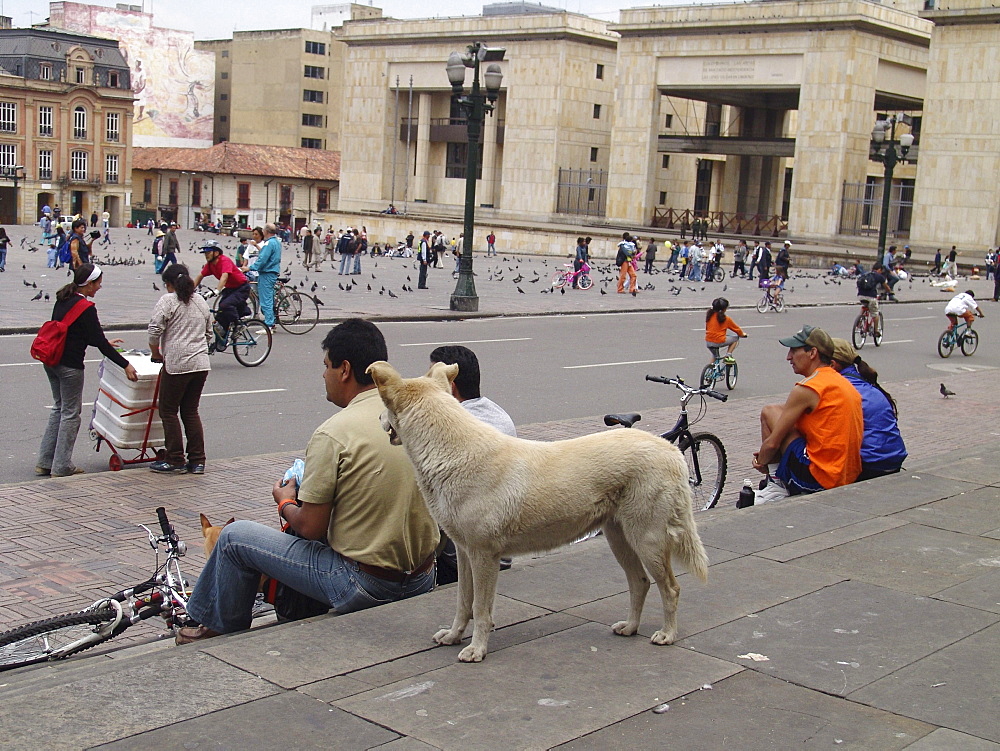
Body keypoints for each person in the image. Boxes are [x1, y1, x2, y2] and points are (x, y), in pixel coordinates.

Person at [175, 319, 439, 644]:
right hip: (423, 578)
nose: (323, 375)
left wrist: (284, 501)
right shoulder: (415, 416)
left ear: (344, 369)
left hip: (363, 586)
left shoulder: (334, 432)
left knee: (233, 537)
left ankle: (215, 628)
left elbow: (310, 527)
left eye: (326, 366)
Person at [37, 264, 139, 477]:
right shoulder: (86, 307)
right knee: (71, 414)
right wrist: (126, 364)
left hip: (51, 361)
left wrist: (105, 342)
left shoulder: (63, 298)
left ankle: (45, 461)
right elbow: (98, 341)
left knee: (59, 408)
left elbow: (82, 334)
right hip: (69, 365)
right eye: (98, 283)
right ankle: (62, 465)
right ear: (89, 283)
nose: (100, 287)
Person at [429, 344, 516, 583]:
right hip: (505, 544)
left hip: (467, 554)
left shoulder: (453, 428)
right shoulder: (498, 413)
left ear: (449, 385)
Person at [751, 325, 863, 504]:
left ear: (812, 353)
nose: (789, 357)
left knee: (768, 412)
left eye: (794, 351)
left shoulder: (809, 387)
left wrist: (762, 460)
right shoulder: (842, 382)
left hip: (820, 478)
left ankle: (775, 484)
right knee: (780, 412)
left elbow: (772, 444)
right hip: (847, 474)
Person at [148, 264, 213, 474]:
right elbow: (209, 332)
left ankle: (175, 457)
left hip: (177, 364)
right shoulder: (200, 300)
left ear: (168, 284)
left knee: (168, 410)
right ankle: (197, 460)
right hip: (201, 364)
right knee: (190, 411)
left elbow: (154, 330)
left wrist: (156, 353)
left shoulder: (168, 301)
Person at [829, 338, 907, 480]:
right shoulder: (865, 382)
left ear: (832, 365)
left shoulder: (841, 387)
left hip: (870, 464)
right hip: (894, 459)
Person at [193, 241, 251, 341]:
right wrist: (189, 290)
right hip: (230, 289)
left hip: (241, 288)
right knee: (220, 315)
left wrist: (217, 290)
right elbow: (200, 276)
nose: (206, 255)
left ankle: (238, 325)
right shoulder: (210, 264)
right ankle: (221, 341)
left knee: (226, 305)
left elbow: (225, 276)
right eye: (205, 253)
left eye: (208, 252)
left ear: (216, 253)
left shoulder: (224, 261)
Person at [254, 223, 283, 330]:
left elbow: (263, 259)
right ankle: (271, 322)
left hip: (267, 273)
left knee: (266, 300)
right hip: (273, 271)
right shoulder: (276, 242)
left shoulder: (269, 243)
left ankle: (269, 325)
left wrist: (251, 267)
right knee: (269, 298)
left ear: (266, 231)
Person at [705, 297, 747, 364]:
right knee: (735, 338)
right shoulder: (725, 319)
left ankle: (710, 370)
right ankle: (728, 356)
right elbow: (737, 329)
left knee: (715, 356)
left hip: (708, 341)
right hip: (719, 341)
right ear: (724, 309)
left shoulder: (709, 316)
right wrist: (742, 334)